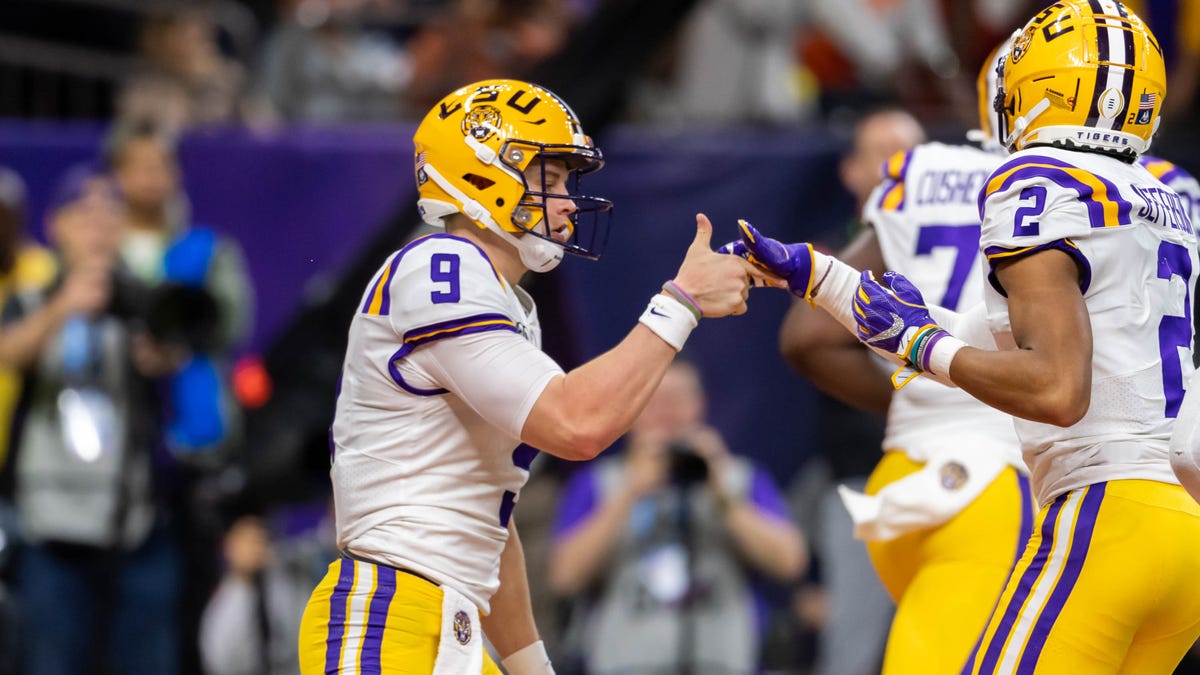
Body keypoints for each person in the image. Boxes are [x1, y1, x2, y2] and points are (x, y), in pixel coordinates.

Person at [731, 2, 1200, 670]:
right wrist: (821, 277)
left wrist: (923, 345)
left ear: (1045, 87)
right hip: (1180, 521)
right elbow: (991, 334)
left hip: (1104, 509)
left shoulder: (1037, 180)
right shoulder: (1159, 192)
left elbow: (1058, 387)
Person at [296, 78, 773, 674]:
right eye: (548, 179)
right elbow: (577, 425)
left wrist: (530, 666)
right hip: (393, 612)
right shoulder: (440, 265)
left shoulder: (507, 302)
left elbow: (490, 518)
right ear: (479, 174)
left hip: (451, 616)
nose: (569, 201)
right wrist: (681, 304)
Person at [775, 40, 1034, 674]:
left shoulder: (917, 180)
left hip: (903, 468)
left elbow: (807, 338)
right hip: (1002, 480)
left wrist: (923, 390)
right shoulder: (1084, 194)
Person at [0, 167, 183, 675]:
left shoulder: (142, 302)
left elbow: (175, 350)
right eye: (86, 217)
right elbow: (9, 350)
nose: (100, 230)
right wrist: (65, 304)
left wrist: (159, 344)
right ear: (55, 226)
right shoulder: (34, 298)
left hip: (135, 523)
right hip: (48, 529)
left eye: (111, 217)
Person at [548, 359, 805, 674]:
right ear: (631, 408)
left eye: (679, 398)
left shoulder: (739, 477)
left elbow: (790, 563)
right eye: (654, 398)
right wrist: (630, 492)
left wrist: (722, 491)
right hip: (625, 663)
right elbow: (564, 578)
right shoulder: (600, 482)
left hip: (725, 661)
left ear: (701, 404)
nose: (667, 412)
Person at [785, 107, 923, 675]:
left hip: (965, 468)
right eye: (882, 154)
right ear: (850, 172)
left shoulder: (975, 247)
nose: (898, 168)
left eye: (909, 155)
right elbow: (809, 340)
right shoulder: (823, 260)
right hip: (865, 477)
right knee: (855, 653)